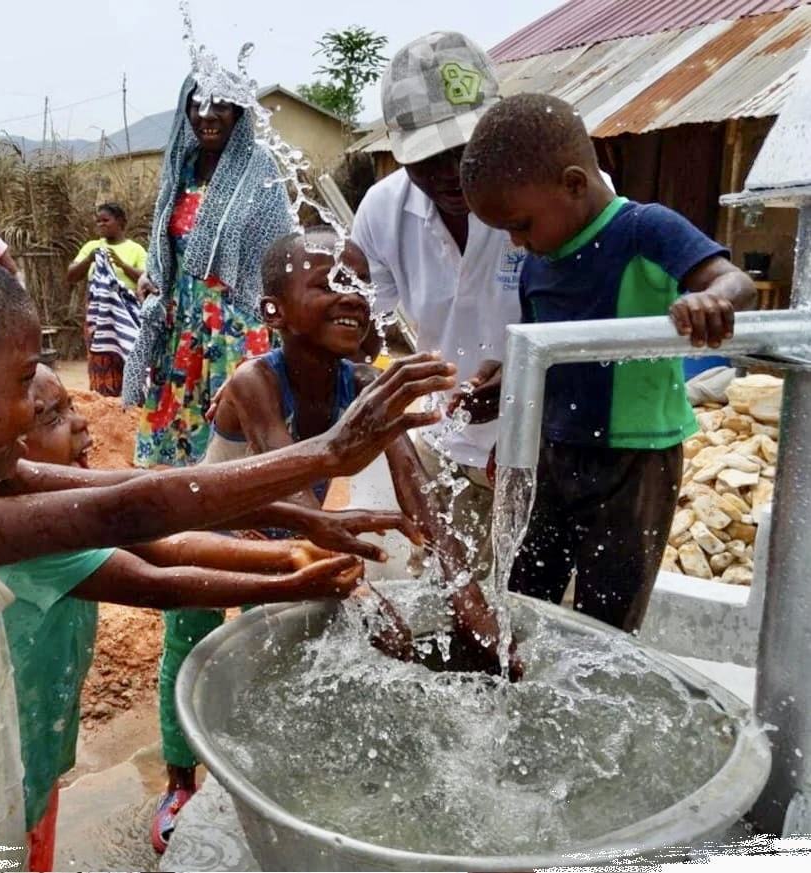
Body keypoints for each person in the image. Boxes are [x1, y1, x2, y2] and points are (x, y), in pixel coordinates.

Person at [0, 238, 454, 864]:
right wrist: (326, 453)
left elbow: (126, 488)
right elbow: (126, 513)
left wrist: (301, 520)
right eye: (24, 382)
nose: (32, 411)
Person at [151, 228, 523, 853]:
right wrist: (362, 593)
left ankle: (259, 768)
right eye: (325, 284)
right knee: (193, 644)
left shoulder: (363, 380)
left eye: (356, 283)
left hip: (292, 530)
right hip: (214, 529)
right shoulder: (253, 383)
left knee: (269, 655)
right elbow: (293, 496)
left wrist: (468, 598)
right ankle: (179, 780)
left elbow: (419, 492)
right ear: (274, 310)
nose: (349, 296)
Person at [0, 363, 374, 871]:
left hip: (33, 743)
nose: (83, 421)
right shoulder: (31, 528)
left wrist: (289, 553)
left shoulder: (59, 503)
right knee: (4, 839)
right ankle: (178, 785)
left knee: (31, 828)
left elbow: (157, 533)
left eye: (71, 404)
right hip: (1, 760)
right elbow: (159, 576)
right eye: (52, 416)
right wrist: (288, 577)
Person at [459, 92, 757, 632]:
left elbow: (733, 282)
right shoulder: (540, 260)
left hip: (635, 462)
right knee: (522, 601)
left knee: (609, 618)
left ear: (574, 183)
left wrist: (712, 300)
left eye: (522, 224)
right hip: (551, 454)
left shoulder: (645, 229)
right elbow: (538, 352)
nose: (517, 242)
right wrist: (504, 389)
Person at [351, 32, 525, 582]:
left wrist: (522, 379)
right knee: (446, 595)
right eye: (429, 158)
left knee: (540, 612)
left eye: (468, 151)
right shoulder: (383, 210)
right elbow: (362, 330)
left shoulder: (555, 194)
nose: (452, 172)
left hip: (546, 451)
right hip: (447, 445)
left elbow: (595, 319)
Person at [121, 73, 294, 466]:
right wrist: (154, 273)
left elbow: (279, 244)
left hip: (237, 319)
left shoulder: (258, 165)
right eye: (197, 104)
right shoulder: (182, 166)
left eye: (220, 104)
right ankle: (188, 508)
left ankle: (251, 507)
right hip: (182, 324)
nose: (207, 115)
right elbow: (165, 239)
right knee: (182, 421)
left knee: (238, 412)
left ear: (238, 111)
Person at [66, 203, 149, 395]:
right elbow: (71, 275)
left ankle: (130, 399)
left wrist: (122, 265)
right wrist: (90, 260)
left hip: (128, 313)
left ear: (120, 222)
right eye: (98, 221)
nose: (101, 225)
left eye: (106, 220)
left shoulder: (135, 250)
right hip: (99, 314)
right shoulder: (92, 247)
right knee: (100, 353)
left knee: (128, 352)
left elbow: (147, 278)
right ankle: (104, 399)